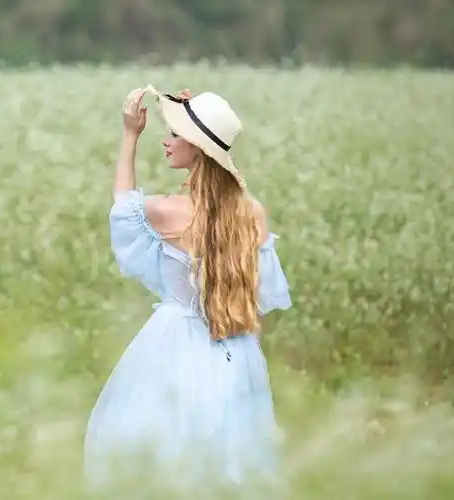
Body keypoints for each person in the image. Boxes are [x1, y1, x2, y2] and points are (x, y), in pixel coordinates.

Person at [83, 86, 294, 497]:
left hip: (176, 344)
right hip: (239, 350)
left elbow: (123, 204)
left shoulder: (166, 211)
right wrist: (197, 115)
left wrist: (130, 135)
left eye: (175, 134)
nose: (166, 140)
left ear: (196, 149)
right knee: (230, 463)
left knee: (158, 457)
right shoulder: (250, 214)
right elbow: (260, 302)